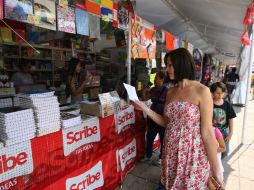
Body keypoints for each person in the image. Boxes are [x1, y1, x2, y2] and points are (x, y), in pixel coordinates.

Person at [133, 48, 224, 189]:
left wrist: (217, 170)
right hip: (170, 152)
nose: (167, 69)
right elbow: (167, 122)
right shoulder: (170, 91)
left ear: (181, 64)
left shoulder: (202, 91)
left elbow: (207, 133)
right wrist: (145, 109)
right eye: (166, 65)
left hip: (192, 155)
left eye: (170, 65)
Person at [141, 71, 167, 165]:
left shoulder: (167, 91)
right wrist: (144, 90)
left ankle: (161, 157)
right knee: (149, 137)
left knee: (163, 140)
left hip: (162, 119)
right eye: (155, 77)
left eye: (157, 77)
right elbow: (145, 99)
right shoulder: (153, 89)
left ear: (162, 80)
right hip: (152, 118)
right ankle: (148, 155)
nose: (155, 79)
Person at [210, 82, 236, 159]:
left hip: (224, 132)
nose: (220, 95)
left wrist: (230, 133)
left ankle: (218, 161)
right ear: (212, 92)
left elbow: (230, 119)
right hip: (212, 132)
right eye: (217, 93)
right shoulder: (209, 103)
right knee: (212, 149)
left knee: (225, 151)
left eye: (222, 93)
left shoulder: (227, 104)